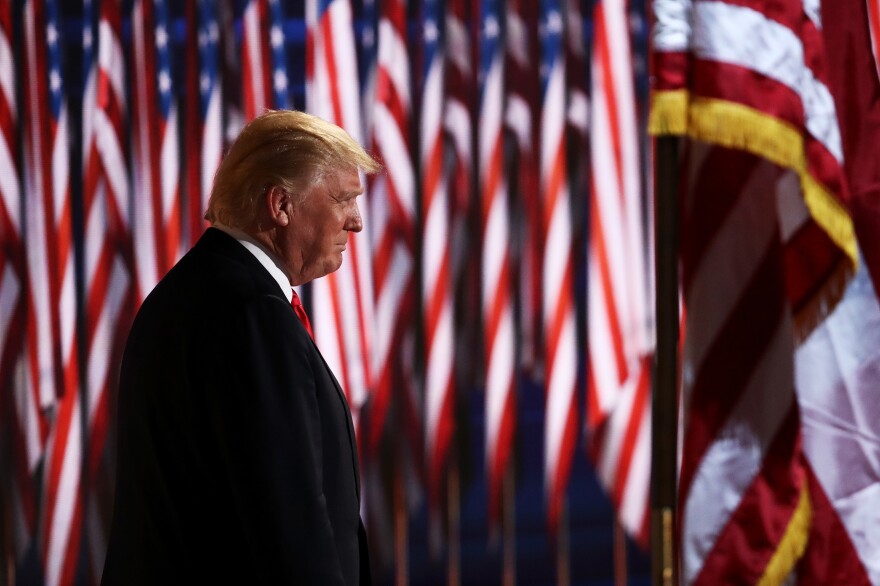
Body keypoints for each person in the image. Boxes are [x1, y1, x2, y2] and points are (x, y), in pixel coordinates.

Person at [102, 110, 380, 585]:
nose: (356, 222)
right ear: (281, 204)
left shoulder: (192, 292)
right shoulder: (252, 313)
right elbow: (288, 526)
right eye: (343, 200)